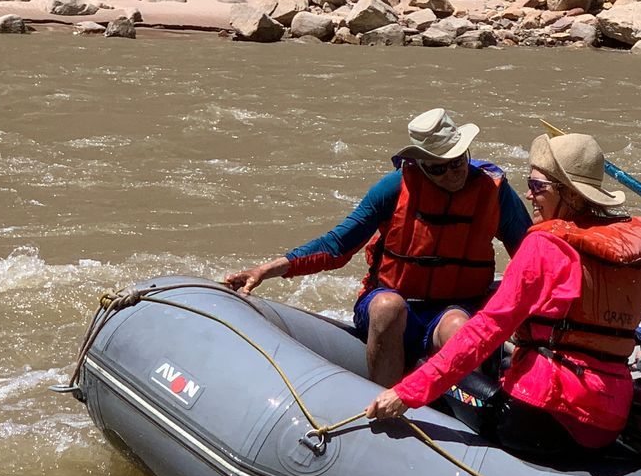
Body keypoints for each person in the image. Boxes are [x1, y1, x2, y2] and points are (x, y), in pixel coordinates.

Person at [363, 131, 641, 464]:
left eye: (538, 188)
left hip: (537, 419)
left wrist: (406, 392)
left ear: (571, 196)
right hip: (606, 424)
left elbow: (486, 331)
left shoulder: (545, 247)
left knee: (422, 364)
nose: (529, 196)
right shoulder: (639, 256)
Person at [223, 107, 531, 384]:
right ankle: (383, 404)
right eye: (438, 168)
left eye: (457, 162)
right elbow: (337, 245)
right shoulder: (394, 187)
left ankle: (461, 423)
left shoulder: (494, 190)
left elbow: (531, 255)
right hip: (393, 300)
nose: (452, 174)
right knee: (388, 308)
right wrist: (268, 269)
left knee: (457, 327)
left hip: (457, 306)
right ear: (420, 164)